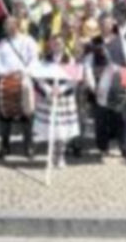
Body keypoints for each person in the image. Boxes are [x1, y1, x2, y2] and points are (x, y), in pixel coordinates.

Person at [84, 14, 126, 162]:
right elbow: (88, 66)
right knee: (101, 119)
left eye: (107, 23)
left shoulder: (120, 40)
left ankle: (125, 148)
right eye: (102, 23)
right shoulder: (93, 42)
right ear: (98, 25)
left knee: (121, 117)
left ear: (112, 25)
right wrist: (92, 85)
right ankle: (103, 148)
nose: (105, 26)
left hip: (118, 84)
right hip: (100, 85)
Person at [0, 16, 39, 159]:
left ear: (17, 25)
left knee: (27, 114)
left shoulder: (28, 40)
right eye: (6, 25)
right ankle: (5, 147)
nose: (8, 27)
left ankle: (28, 147)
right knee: (5, 114)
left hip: (24, 79)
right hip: (6, 80)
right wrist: (4, 73)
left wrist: (24, 72)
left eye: (11, 24)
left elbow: (34, 59)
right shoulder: (1, 44)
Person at [33, 34, 81, 168]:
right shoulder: (44, 59)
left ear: (64, 44)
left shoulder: (69, 60)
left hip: (64, 98)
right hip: (48, 97)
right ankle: (51, 154)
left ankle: (60, 156)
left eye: (59, 43)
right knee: (51, 129)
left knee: (62, 130)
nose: (56, 45)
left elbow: (74, 80)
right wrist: (49, 90)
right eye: (54, 43)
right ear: (50, 44)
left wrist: (61, 89)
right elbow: (39, 77)